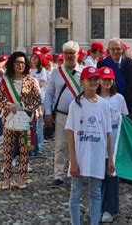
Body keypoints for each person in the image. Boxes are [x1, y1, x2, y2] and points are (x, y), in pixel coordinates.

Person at [66, 66, 115, 225]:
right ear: (82, 82)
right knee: (76, 193)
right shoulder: (76, 104)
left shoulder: (104, 105)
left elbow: (107, 133)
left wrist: (110, 158)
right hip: (80, 155)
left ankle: (95, 222)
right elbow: (70, 133)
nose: (93, 82)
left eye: (96, 79)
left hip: (98, 155)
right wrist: (73, 160)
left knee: (95, 192)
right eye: (90, 79)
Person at [0, 51, 42, 189]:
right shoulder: (5, 81)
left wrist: (22, 107)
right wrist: (8, 107)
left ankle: (22, 178)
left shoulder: (31, 80)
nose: (20, 65)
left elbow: (38, 100)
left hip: (25, 120)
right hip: (9, 119)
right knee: (8, 150)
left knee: (24, 150)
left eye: (22, 62)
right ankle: (7, 179)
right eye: (17, 62)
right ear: (12, 64)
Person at [45, 41, 84, 188]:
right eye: (67, 53)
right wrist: (48, 112)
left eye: (72, 53)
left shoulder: (84, 72)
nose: (69, 56)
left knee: (80, 145)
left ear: (77, 54)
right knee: (60, 146)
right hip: (62, 114)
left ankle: (78, 172)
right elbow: (49, 94)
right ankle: (59, 175)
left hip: (80, 115)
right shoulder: (56, 72)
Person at [97, 66, 129, 223]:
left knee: (111, 175)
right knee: (97, 176)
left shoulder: (119, 98)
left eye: (109, 79)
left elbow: (125, 120)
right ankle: (97, 206)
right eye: (104, 79)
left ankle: (110, 208)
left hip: (114, 144)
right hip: (98, 142)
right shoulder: (93, 99)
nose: (107, 82)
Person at [97, 38, 132, 109]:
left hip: (128, 102)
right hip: (109, 101)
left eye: (118, 49)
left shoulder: (131, 63)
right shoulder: (102, 64)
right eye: (112, 49)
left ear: (122, 49)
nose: (115, 51)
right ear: (108, 50)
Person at [30, 51, 48, 156]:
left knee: (39, 125)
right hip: (28, 101)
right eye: (33, 57)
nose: (34, 59)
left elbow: (40, 84)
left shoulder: (42, 71)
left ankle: (39, 147)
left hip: (39, 100)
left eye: (36, 58)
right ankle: (32, 147)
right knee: (31, 126)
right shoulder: (27, 70)